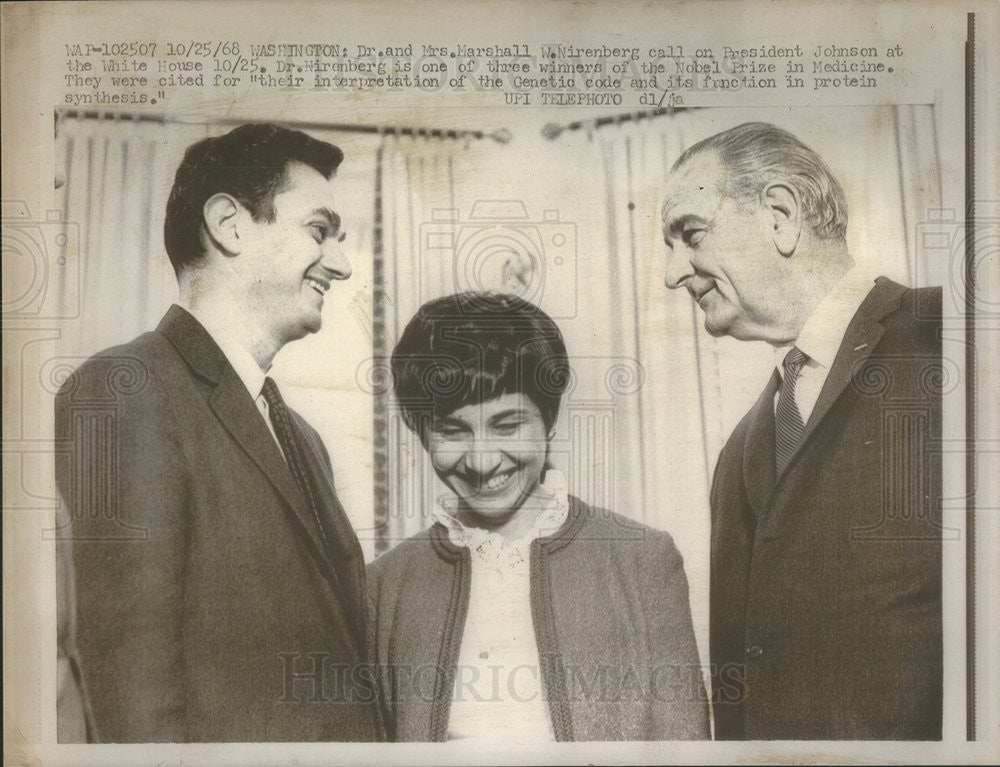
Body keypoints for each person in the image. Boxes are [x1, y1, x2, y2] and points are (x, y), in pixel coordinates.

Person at [54, 123, 381, 742]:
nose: (340, 264)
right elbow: (131, 692)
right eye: (319, 231)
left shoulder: (302, 438)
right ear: (229, 224)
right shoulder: (125, 391)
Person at [661, 122, 942, 739]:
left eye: (691, 236)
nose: (673, 272)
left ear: (781, 215)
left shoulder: (952, 338)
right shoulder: (740, 449)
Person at [367, 292, 709, 742]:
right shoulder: (383, 587)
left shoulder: (644, 561)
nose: (483, 461)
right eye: (453, 430)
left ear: (549, 421)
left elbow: (685, 749)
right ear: (420, 431)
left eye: (508, 426)